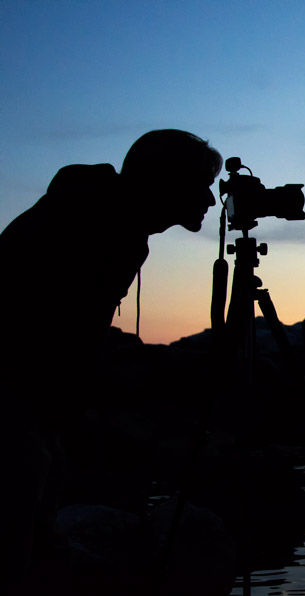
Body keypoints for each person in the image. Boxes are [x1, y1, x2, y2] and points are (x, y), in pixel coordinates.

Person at [0, 129, 223, 594]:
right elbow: (48, 324)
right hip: (17, 396)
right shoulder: (94, 220)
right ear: (166, 181)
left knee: (37, 530)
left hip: (39, 403)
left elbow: (75, 328)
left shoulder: (111, 218)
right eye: (200, 183)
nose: (208, 198)